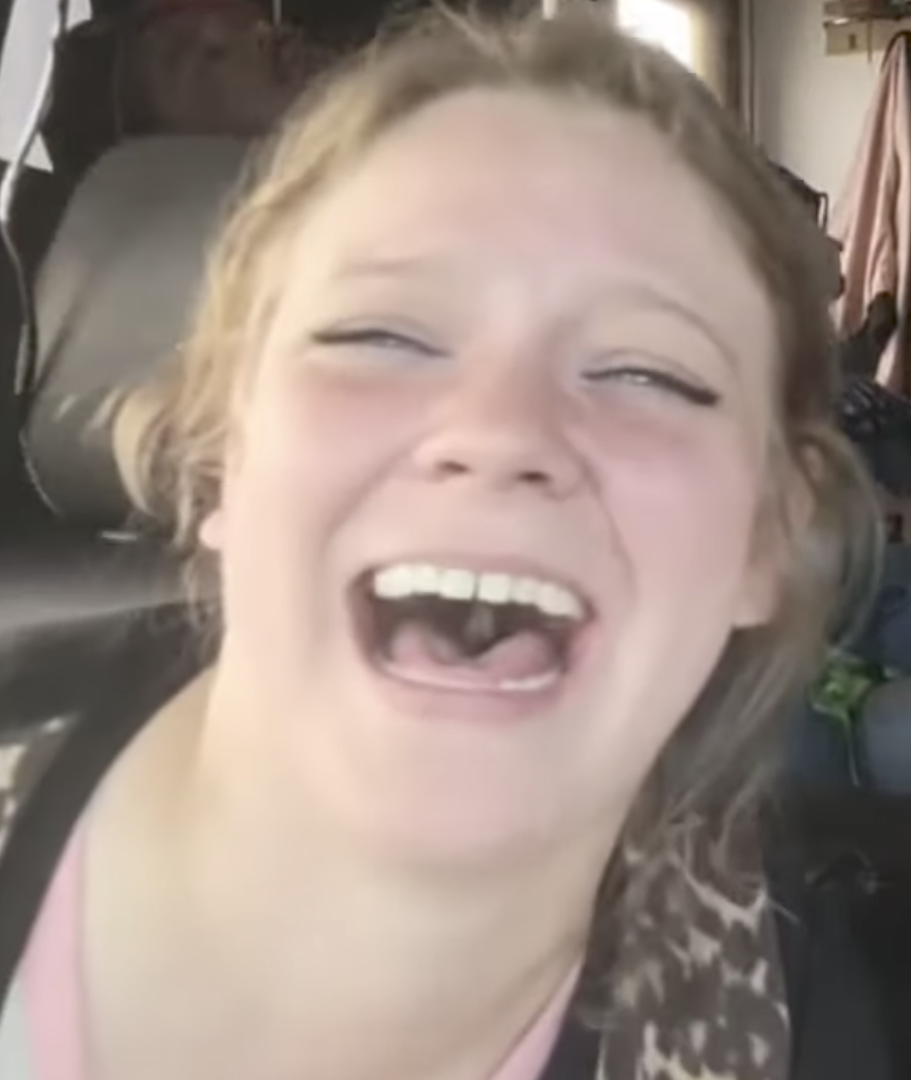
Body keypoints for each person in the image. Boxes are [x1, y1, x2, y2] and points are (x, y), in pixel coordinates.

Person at [0, 5, 890, 1080]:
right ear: (220, 454)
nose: (500, 432)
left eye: (648, 372)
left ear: (767, 533)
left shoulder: (815, 1025)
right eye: (380, 332)